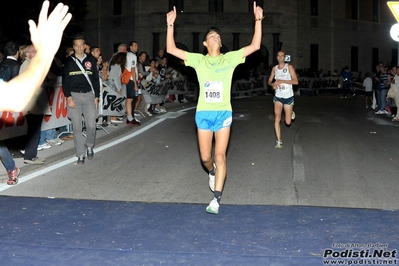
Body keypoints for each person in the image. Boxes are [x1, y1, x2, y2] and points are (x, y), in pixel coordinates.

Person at [166, 2, 263, 215]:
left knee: (220, 156)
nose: (215, 37)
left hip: (223, 113)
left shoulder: (229, 59)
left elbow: (255, 46)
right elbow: (171, 50)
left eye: (218, 36)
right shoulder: (198, 60)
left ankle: (216, 200)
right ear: (205, 42)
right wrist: (170, 25)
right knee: (205, 158)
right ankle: (211, 172)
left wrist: (258, 20)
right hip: (203, 113)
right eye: (211, 35)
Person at [0, 1, 72, 112]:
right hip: (34, 110)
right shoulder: (24, 64)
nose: (35, 52)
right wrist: (45, 51)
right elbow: (15, 98)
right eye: (33, 51)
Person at [62, 35, 100, 165]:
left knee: (91, 124)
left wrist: (97, 96)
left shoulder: (91, 60)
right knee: (77, 127)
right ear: (73, 47)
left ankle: (89, 145)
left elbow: (95, 79)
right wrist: (68, 96)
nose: (79, 47)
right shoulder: (68, 62)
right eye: (76, 45)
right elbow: (65, 81)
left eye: (81, 45)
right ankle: (80, 154)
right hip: (74, 96)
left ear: (85, 46)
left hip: (89, 95)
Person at [19, 44, 52, 165]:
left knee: (35, 131)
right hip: (33, 104)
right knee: (33, 131)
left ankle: (31, 155)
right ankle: (30, 156)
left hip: (36, 103)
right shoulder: (27, 66)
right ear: (28, 54)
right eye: (34, 51)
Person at [267, 50, 298, 149]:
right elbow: (269, 81)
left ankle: (291, 112)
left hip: (288, 96)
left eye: (282, 56)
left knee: (288, 122)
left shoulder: (289, 67)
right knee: (277, 117)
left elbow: (296, 81)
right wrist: (273, 85)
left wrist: (282, 81)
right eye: (278, 56)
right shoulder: (274, 69)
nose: (280, 57)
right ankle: (279, 141)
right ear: (276, 58)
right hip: (278, 96)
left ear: (284, 58)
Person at [125, 41, 141, 126]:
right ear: (130, 47)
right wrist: (135, 83)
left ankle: (130, 117)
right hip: (131, 80)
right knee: (131, 99)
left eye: (137, 46)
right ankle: (130, 118)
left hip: (128, 79)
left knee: (130, 99)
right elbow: (132, 70)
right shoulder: (133, 56)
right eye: (135, 46)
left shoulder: (127, 55)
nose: (136, 47)